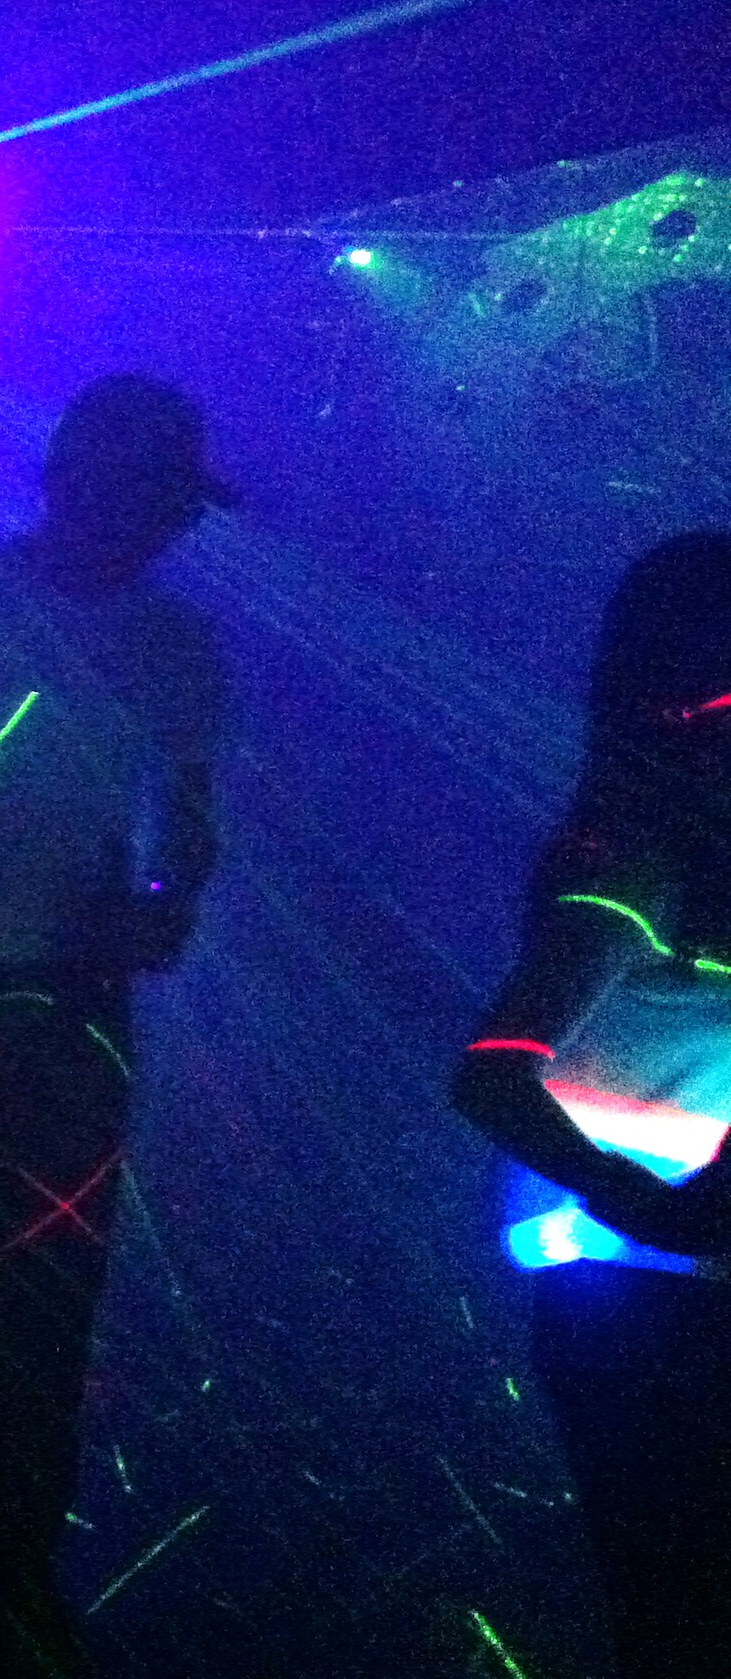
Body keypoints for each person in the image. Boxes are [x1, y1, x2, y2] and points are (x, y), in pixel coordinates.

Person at [0, 373, 234, 1679]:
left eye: (178, 508)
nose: (172, 527)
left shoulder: (175, 645)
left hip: (69, 1012)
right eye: (163, 500)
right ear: (81, 484)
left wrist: (165, 900)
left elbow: (186, 816)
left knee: (44, 1319)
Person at [453, 532, 731, 1679]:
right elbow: (489, 1071)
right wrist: (659, 1208)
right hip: (634, 1302)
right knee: (682, 1613)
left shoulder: (683, 855)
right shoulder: (635, 865)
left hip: (665, 1293)